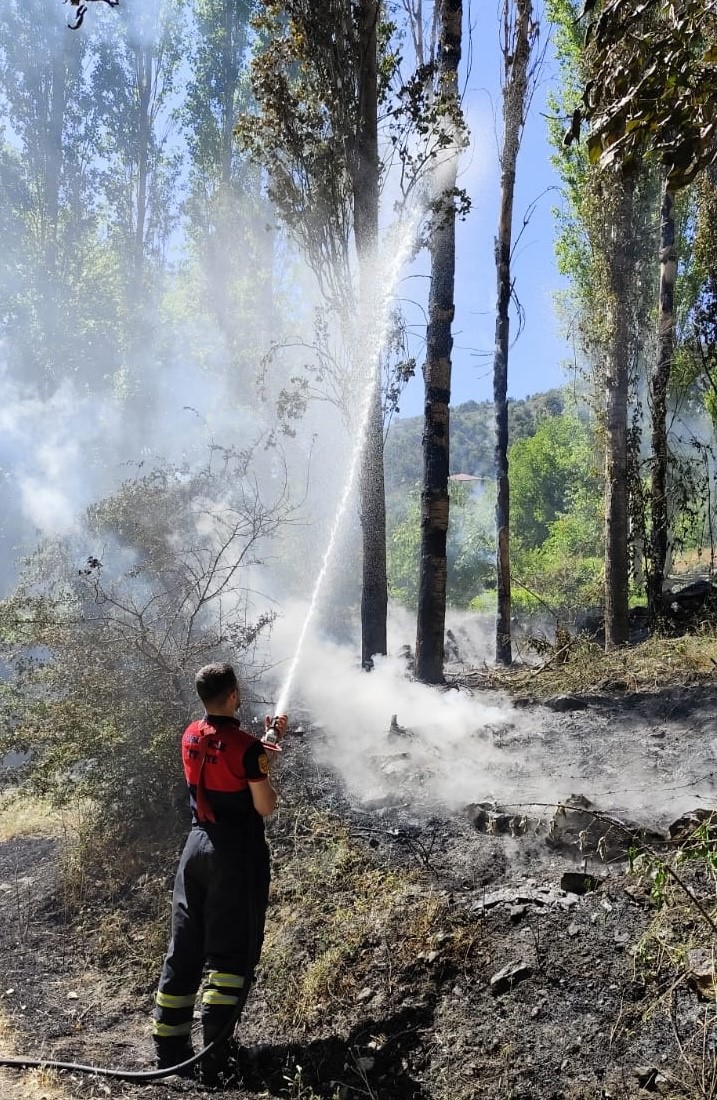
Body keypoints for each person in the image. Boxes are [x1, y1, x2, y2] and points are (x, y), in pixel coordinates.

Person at [152, 662, 287, 1085]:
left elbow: (226, 763)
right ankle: (217, 1058)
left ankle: (170, 1051)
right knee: (230, 954)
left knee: (185, 947)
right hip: (235, 855)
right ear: (233, 695)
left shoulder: (191, 734)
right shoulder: (246, 748)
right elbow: (264, 804)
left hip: (195, 850)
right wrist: (261, 756)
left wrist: (267, 744)